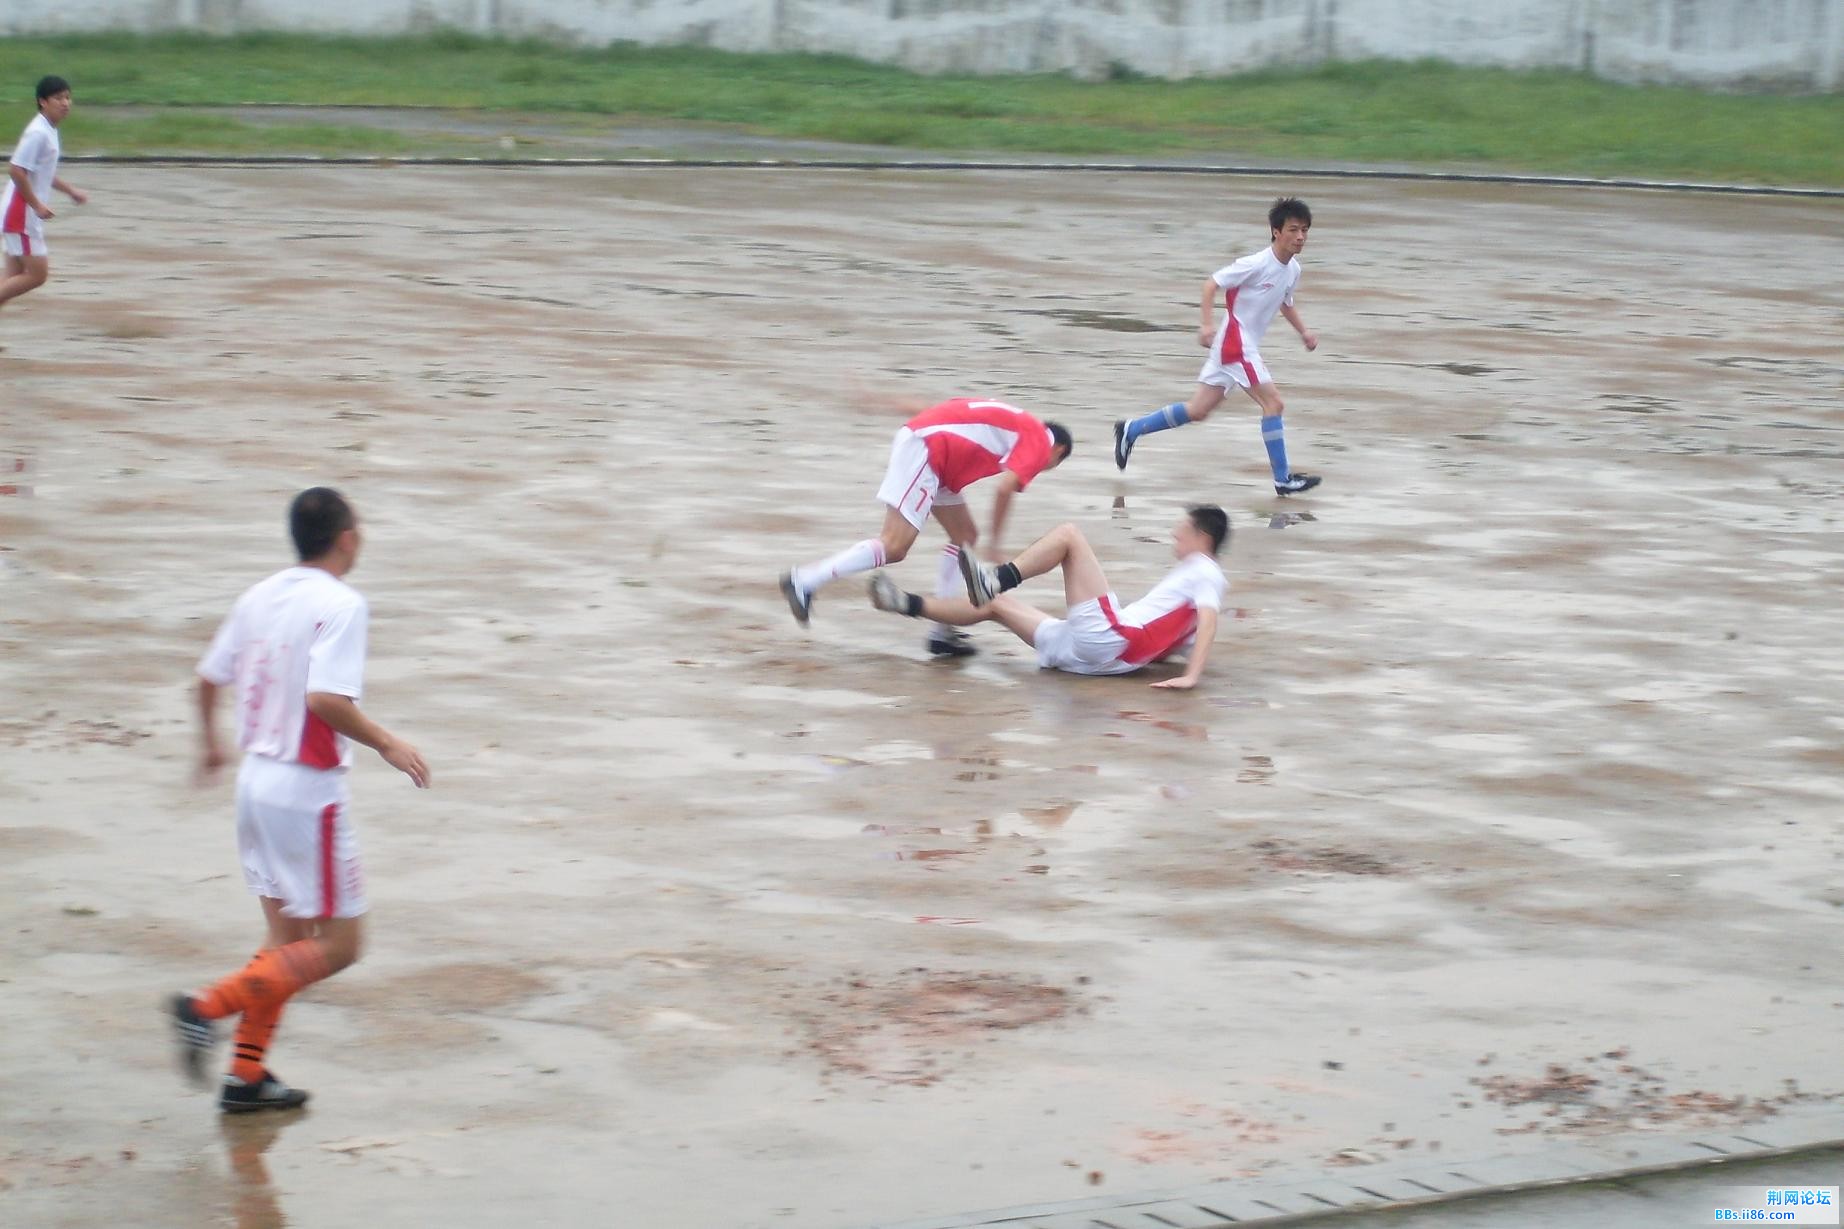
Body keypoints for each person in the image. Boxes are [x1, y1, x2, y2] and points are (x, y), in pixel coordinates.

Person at [171, 488, 430, 1113]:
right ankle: (203, 1009)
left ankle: (246, 1078)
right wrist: (386, 743)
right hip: (305, 792)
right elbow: (326, 700)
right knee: (342, 946)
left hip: (254, 783)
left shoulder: (260, 595)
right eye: (359, 527)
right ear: (346, 537)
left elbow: (207, 680)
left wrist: (211, 747)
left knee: (286, 939)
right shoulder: (342, 604)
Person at [780, 396, 1072, 656]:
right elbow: (1004, 489)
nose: (1045, 468)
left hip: (935, 455)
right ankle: (805, 580)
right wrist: (996, 545)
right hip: (929, 451)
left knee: (965, 536)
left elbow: (940, 409)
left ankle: (943, 631)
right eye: (1054, 464)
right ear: (1058, 450)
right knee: (895, 545)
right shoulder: (1040, 441)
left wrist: (887, 403)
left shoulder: (1019, 422)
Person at [869, 506, 1230, 689]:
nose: (1174, 532)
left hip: (1109, 639)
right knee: (992, 608)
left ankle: (996, 579)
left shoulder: (1205, 570)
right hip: (1090, 656)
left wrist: (1192, 677)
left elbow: (1209, 621)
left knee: (1069, 536)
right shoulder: (1192, 581)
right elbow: (1177, 643)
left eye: (1182, 528)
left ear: (1202, 537)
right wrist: (1167, 666)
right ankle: (906, 603)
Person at [1114, 197, 1321, 496]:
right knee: (1273, 404)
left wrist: (1304, 332)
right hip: (1236, 343)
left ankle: (1130, 430)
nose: (1300, 237)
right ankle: (1283, 479)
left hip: (1233, 345)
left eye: (1304, 230)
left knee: (1197, 410)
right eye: (1293, 229)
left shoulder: (1293, 270)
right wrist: (1206, 324)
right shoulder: (1255, 264)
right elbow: (1211, 284)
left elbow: (1285, 303)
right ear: (1276, 231)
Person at [0, 76, 87, 311]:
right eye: (58, 98)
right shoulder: (38, 133)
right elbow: (16, 170)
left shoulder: (47, 129)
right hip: (21, 215)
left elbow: (42, 173)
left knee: (12, 278)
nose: (65, 103)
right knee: (37, 275)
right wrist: (37, 204)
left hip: (17, 213)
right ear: (42, 102)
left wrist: (70, 191)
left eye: (68, 97)